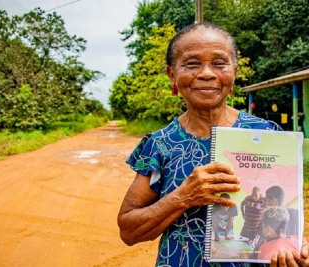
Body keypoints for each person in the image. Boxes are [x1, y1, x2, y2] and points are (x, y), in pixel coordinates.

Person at [117, 22, 309, 267]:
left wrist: (294, 251)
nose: (207, 73)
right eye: (192, 64)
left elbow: (289, 221)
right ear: (172, 75)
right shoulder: (161, 144)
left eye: (219, 63)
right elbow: (129, 231)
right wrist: (184, 196)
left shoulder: (267, 135)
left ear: (234, 72)